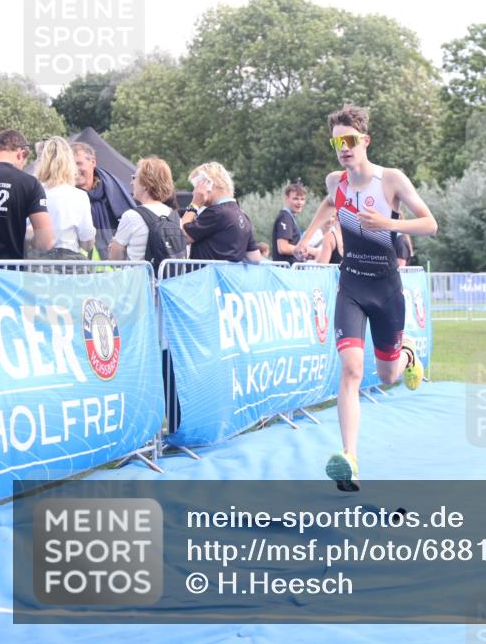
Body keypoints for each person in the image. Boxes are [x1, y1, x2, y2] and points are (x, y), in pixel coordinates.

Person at [296, 104, 437, 491]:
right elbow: (328, 204)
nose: (344, 147)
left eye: (350, 140)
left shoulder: (390, 180)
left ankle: (406, 354)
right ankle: (349, 459)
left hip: (386, 289)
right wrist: (307, 238)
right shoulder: (333, 181)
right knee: (352, 369)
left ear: (365, 141)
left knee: (389, 375)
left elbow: (430, 223)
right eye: (337, 141)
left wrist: (389, 223)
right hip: (351, 286)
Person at [180, 162, 262, 263]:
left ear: (210, 184)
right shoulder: (243, 216)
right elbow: (255, 258)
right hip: (227, 278)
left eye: (197, 186)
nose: (194, 192)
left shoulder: (216, 213)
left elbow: (179, 237)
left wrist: (194, 205)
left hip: (205, 277)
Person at [0, 130, 53, 258]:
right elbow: (46, 241)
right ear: (21, 154)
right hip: (8, 272)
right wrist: (30, 239)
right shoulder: (29, 183)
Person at [71, 142, 136, 259]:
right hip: (76, 266)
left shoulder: (114, 190)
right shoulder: (65, 195)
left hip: (111, 268)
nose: (74, 169)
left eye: (78, 163)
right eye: (70, 164)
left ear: (93, 162)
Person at [32, 137, 95, 257]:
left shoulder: (31, 191)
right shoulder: (79, 196)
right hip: (68, 264)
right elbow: (87, 243)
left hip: (35, 262)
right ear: (69, 162)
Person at [109, 157, 179, 261]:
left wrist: (113, 248)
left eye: (134, 178)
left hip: (138, 276)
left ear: (146, 184)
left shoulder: (131, 216)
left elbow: (115, 260)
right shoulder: (175, 217)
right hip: (170, 277)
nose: (131, 183)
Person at [271, 181, 318, 263]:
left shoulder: (289, 217)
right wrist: (307, 250)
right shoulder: (285, 217)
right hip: (287, 271)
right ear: (286, 199)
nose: (300, 203)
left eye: (302, 199)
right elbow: (283, 247)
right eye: (295, 199)